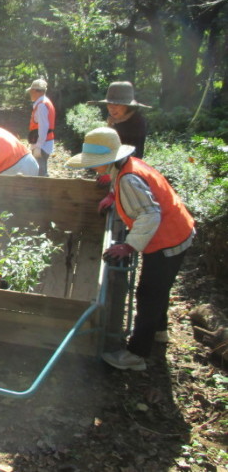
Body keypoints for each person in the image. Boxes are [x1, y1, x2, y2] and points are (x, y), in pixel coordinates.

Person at [66, 127, 195, 371]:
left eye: (95, 164)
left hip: (168, 240)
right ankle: (159, 331)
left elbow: (149, 214)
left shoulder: (128, 179)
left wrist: (129, 245)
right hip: (178, 230)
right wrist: (112, 197)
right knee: (159, 288)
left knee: (148, 295)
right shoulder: (127, 166)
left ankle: (136, 354)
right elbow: (132, 190)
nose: (93, 168)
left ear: (109, 159)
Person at [88, 81, 150, 187]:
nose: (111, 108)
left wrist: (112, 174)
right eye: (109, 104)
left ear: (127, 106)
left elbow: (134, 156)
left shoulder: (136, 123)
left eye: (116, 104)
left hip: (128, 175)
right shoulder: (115, 120)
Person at [27, 79, 55, 177]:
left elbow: (43, 127)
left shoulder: (42, 105)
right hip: (45, 142)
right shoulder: (45, 102)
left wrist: (38, 146)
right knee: (41, 171)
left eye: (31, 91)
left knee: (40, 173)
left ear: (35, 91)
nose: (30, 93)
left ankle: (43, 191)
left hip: (42, 144)